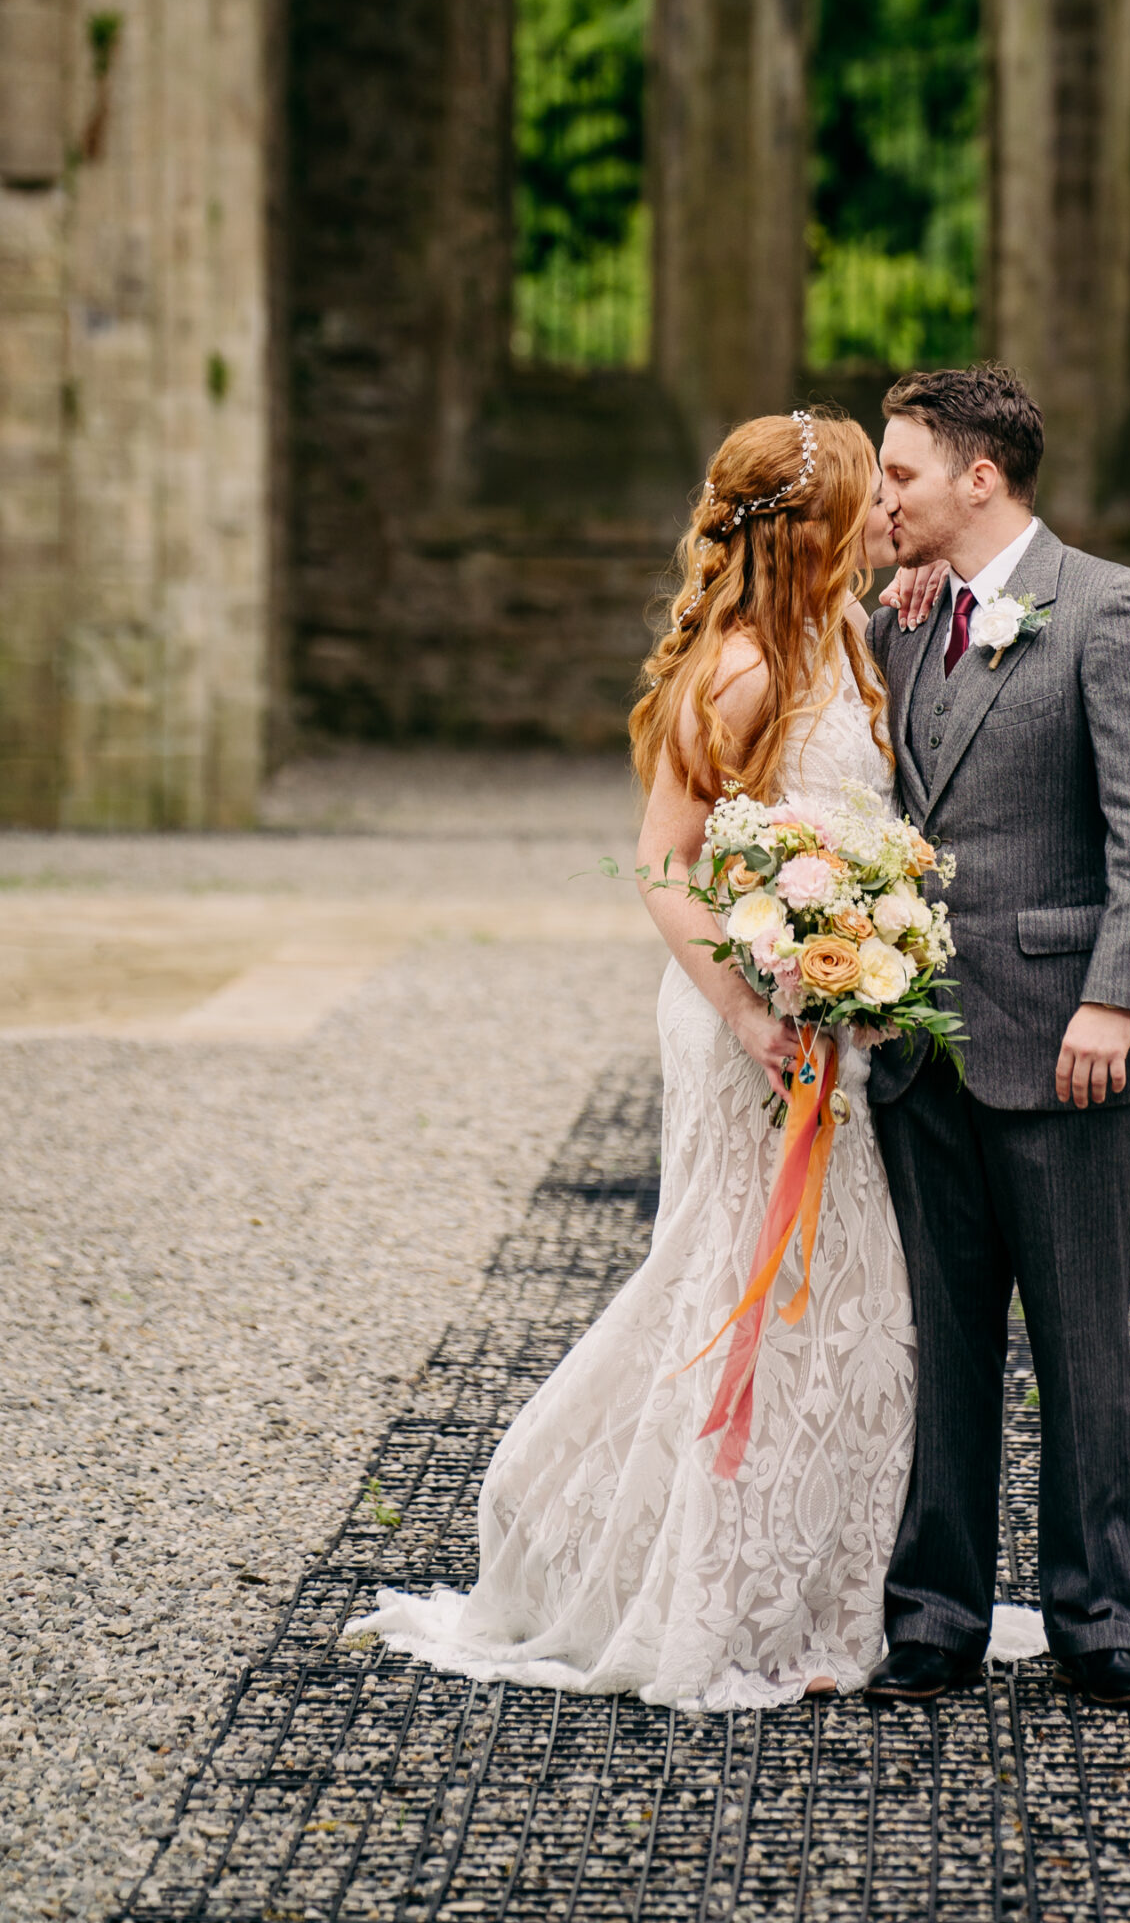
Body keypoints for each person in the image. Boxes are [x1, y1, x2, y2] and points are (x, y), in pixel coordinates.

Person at [345, 410, 921, 1708]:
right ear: (816, 535)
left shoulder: (847, 644)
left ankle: (827, 1587)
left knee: (847, 1299)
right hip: (746, 1017)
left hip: (836, 1010)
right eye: (867, 506)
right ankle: (687, 1578)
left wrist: (869, 950)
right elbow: (666, 866)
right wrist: (756, 1011)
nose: (889, 518)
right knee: (734, 1278)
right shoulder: (737, 670)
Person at [862, 363, 1130, 1710]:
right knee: (939, 1347)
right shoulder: (897, 622)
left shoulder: (1118, 612)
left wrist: (1116, 999)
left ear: (980, 479)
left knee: (1083, 1349)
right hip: (920, 1047)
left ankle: (1103, 1622)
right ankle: (935, 1620)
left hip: (1069, 1041)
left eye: (900, 476)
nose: (882, 499)